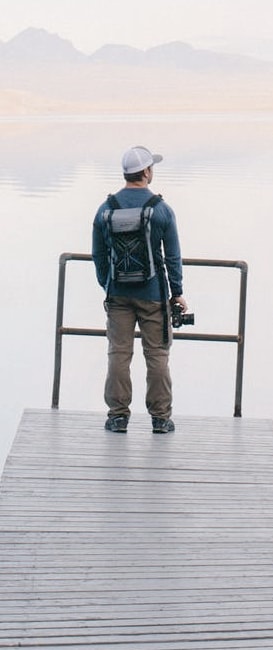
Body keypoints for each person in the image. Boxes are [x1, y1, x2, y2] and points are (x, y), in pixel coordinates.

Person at [92, 145, 187, 434]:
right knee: (157, 355)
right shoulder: (160, 209)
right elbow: (172, 256)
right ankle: (160, 418)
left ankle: (118, 416)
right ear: (146, 172)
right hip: (153, 295)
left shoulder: (106, 208)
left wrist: (108, 283)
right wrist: (177, 292)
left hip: (118, 295)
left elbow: (98, 255)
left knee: (119, 354)